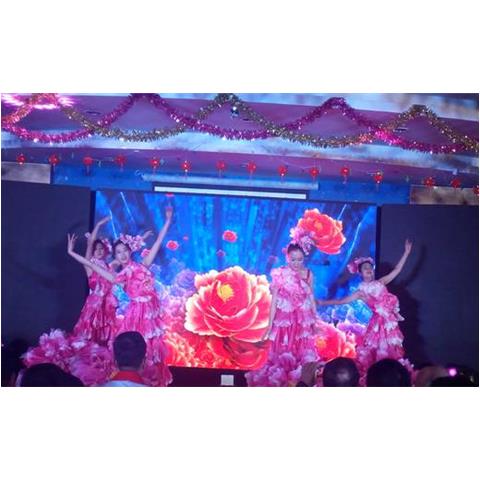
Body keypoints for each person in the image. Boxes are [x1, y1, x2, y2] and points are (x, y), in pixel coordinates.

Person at [67, 206, 173, 386]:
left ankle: (150, 384)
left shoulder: (143, 265)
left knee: (153, 351)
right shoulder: (120, 276)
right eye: (118, 252)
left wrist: (168, 221)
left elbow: (157, 242)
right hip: (137, 315)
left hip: (152, 314)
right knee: (140, 350)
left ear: (130, 251)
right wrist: (72, 253)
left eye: (124, 251)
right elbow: (91, 265)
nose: (122, 255)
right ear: (115, 255)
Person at [317, 239, 412, 369]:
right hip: (378, 324)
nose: (369, 269)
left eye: (370, 268)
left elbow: (397, 270)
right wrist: (322, 302)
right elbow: (340, 301)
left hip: (389, 322)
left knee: (391, 348)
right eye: (365, 268)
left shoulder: (381, 282)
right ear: (360, 273)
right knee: (379, 350)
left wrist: (406, 253)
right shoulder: (361, 292)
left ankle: (391, 371)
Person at [246, 243, 319, 386]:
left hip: (303, 320)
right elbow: (274, 301)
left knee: (303, 353)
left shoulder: (309, 274)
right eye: (293, 259)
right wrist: (269, 326)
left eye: (300, 259)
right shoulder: (280, 274)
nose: (296, 263)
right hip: (285, 321)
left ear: (304, 258)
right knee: (283, 354)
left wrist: (315, 320)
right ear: (287, 258)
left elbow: (311, 297)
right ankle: (280, 383)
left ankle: (300, 384)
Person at [72, 215, 117, 345]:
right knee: (90, 334)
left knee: (105, 335)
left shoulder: (108, 266)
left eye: (101, 248)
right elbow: (90, 242)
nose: (99, 251)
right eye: (96, 249)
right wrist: (98, 225)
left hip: (107, 305)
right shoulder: (90, 265)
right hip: (95, 305)